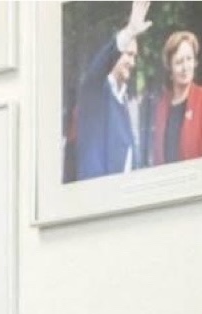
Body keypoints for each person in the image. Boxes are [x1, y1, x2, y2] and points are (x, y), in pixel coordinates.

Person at [69, 0, 150, 182]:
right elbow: (98, 68)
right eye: (128, 54)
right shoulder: (95, 91)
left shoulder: (123, 98)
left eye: (134, 57)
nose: (132, 62)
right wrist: (129, 32)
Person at [143, 29, 202, 167]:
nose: (185, 67)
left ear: (195, 62)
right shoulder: (161, 105)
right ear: (170, 67)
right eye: (179, 62)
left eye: (189, 59)